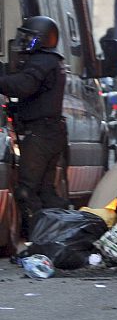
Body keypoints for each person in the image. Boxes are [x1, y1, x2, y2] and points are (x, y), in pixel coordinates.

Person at [0, 16, 68, 239]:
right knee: (45, 191)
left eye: (28, 37)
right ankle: (57, 235)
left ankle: (37, 238)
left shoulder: (43, 61)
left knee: (26, 190)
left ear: (42, 39)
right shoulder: (53, 60)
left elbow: (24, 85)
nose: (23, 42)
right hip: (51, 132)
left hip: (40, 133)